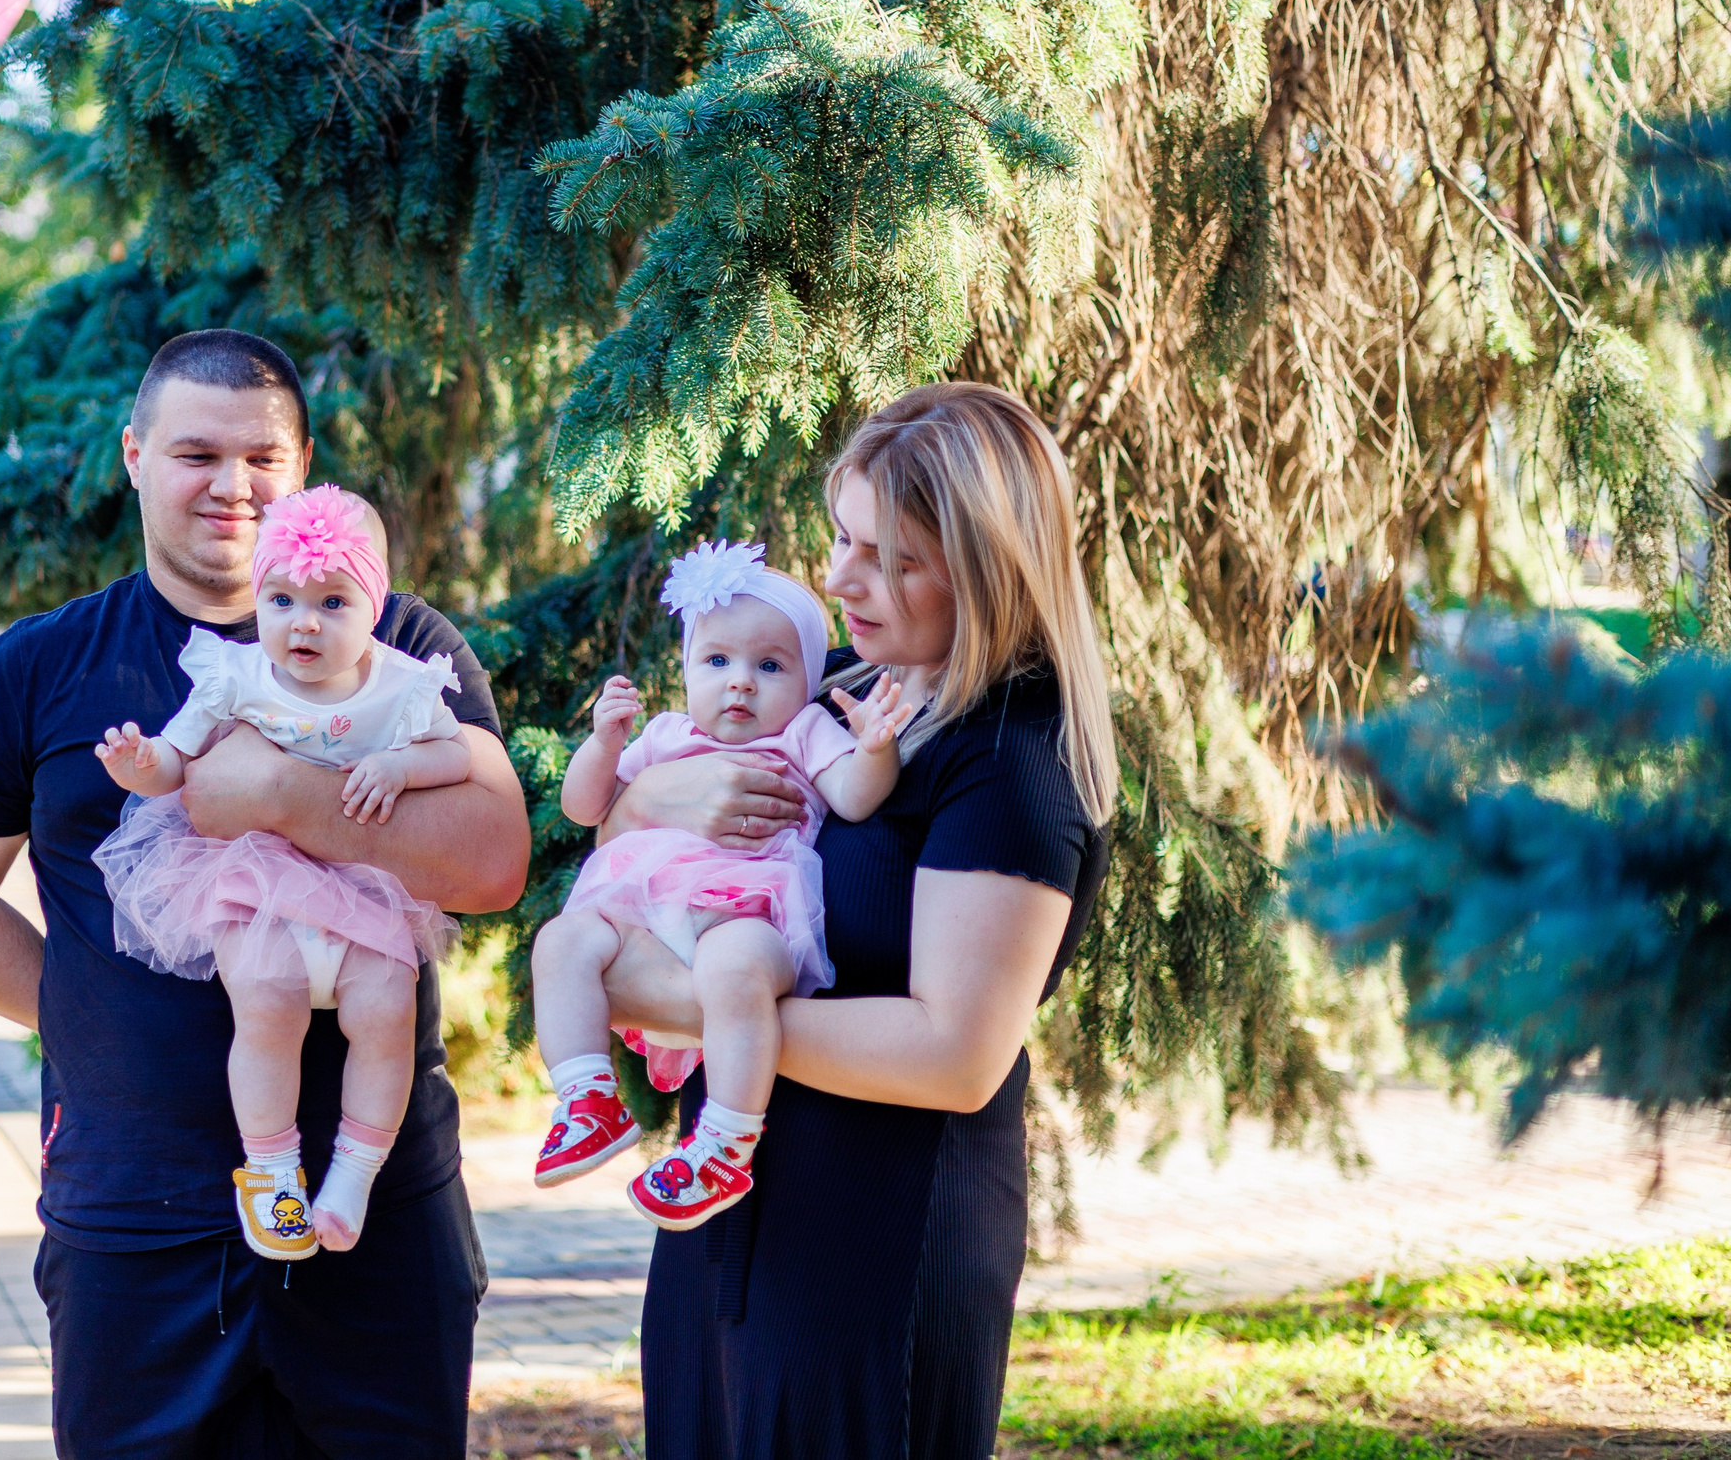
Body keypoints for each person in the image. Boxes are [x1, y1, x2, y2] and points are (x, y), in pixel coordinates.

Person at [0, 330, 531, 1459]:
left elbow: (491, 862)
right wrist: (90, 1017)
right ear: (134, 456)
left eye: (261, 458)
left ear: (305, 467)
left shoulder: (406, 649)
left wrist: (280, 792)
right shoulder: (37, 670)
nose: (232, 486)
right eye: (194, 453)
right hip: (137, 1222)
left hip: (373, 1220)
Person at [594, 382, 1117, 1459]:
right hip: (724, 1201)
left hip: (878, 1238)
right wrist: (649, 802)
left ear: (985, 566)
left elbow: (953, 1055)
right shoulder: (832, 696)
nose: (838, 579)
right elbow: (632, 871)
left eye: (891, 558)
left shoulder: (1010, 758)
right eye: (842, 538)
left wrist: (692, 1002)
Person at [94, 484, 473, 1258]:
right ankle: (271, 1171)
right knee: (265, 1003)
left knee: (386, 1011)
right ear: (258, 596)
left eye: (333, 601)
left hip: (362, 878)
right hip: (258, 875)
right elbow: (179, 756)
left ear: (373, 605)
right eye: (282, 598)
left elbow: (456, 751)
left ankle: (352, 1175)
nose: (304, 621)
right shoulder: (236, 675)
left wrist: (402, 766)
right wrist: (142, 765)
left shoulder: (402, 683)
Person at [528, 540, 914, 1231]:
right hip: (644, 908)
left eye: (769, 665)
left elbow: (855, 798)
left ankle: (725, 1142)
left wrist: (875, 748)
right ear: (686, 669)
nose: (740, 682)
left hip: (749, 909)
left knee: (734, 973)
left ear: (806, 680)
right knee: (561, 942)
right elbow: (585, 807)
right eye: (716, 661)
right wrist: (605, 745)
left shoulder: (802, 733)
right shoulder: (667, 733)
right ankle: (587, 1096)